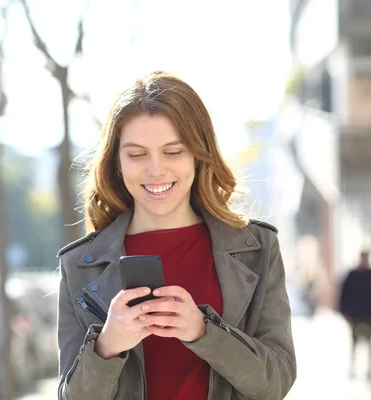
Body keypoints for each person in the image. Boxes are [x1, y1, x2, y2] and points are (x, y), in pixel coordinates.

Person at [56, 71, 296, 400]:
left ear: (199, 155)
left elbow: (276, 383)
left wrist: (203, 332)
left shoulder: (256, 248)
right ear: (117, 163)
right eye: (137, 154)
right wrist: (107, 346)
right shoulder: (80, 265)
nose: (156, 170)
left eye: (173, 151)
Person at [338, 250, 371, 380]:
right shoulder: (352, 275)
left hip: (368, 315)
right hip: (355, 315)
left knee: (369, 344)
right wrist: (345, 312)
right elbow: (344, 294)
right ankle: (353, 369)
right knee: (354, 343)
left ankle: (368, 369)